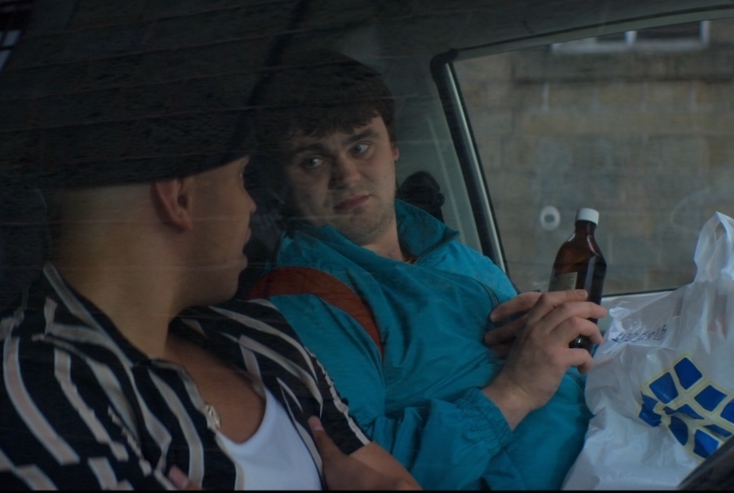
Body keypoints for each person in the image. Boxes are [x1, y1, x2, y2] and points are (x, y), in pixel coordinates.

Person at [0, 2, 419, 490]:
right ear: (178, 196)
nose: (252, 205)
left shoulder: (261, 334)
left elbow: (394, 483)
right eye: (241, 178)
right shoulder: (21, 393)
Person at [246, 50, 605, 490]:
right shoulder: (305, 299)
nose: (347, 176)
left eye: (361, 147)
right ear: (282, 182)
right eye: (313, 161)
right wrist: (514, 392)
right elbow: (366, 471)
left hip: (619, 454)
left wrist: (542, 336)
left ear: (394, 148)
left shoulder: (446, 249)